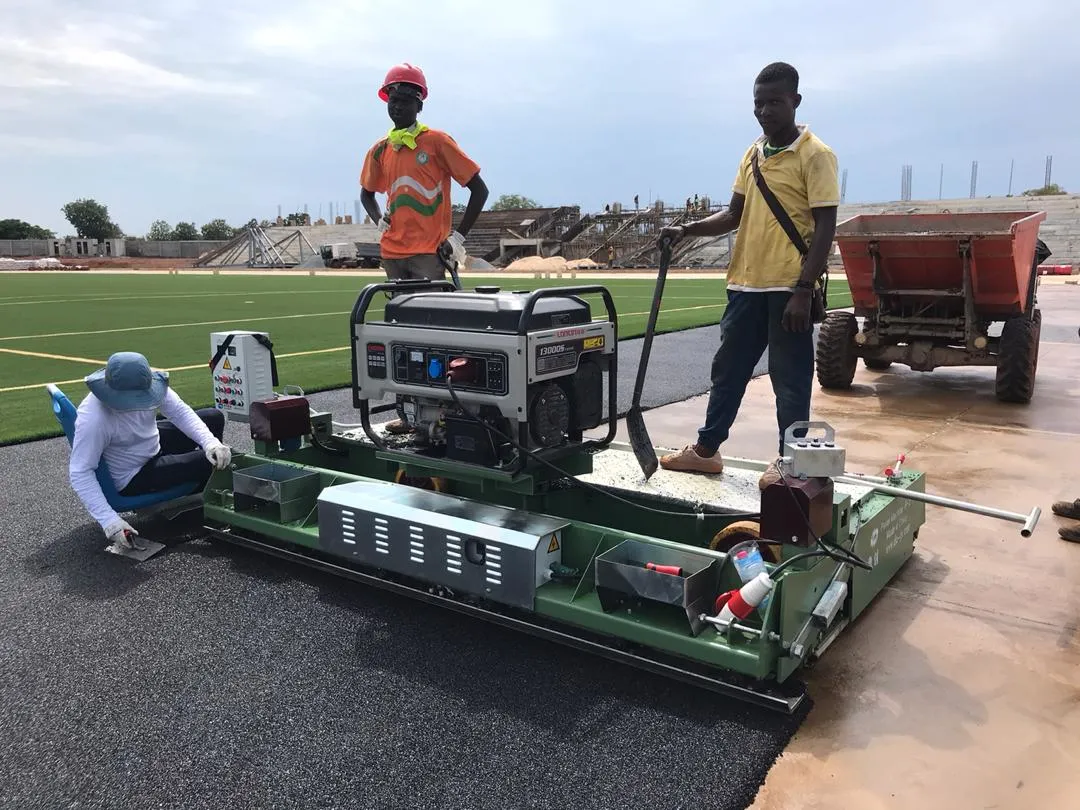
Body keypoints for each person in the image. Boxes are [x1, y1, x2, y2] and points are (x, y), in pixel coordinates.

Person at [656, 62, 839, 488]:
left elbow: (825, 227)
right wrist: (687, 229)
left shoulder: (816, 155)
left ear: (795, 101)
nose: (764, 111)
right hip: (744, 286)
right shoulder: (752, 153)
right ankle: (706, 450)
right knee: (728, 371)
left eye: (774, 102)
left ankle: (791, 462)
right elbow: (733, 215)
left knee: (789, 378)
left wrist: (803, 289)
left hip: (787, 289)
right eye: (758, 103)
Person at [68, 352, 232, 553]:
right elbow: (80, 471)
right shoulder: (94, 419)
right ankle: (204, 488)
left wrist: (210, 443)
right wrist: (110, 521)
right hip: (135, 474)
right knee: (209, 463)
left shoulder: (150, 384)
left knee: (213, 418)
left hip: (147, 443)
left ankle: (200, 487)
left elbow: (180, 412)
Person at [359, 62, 489, 284]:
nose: (397, 107)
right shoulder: (380, 149)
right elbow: (366, 193)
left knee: (430, 313)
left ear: (419, 106)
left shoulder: (437, 142)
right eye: (393, 101)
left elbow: (479, 190)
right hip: (392, 253)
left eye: (405, 101)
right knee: (398, 315)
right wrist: (379, 219)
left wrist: (457, 239)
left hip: (428, 252)